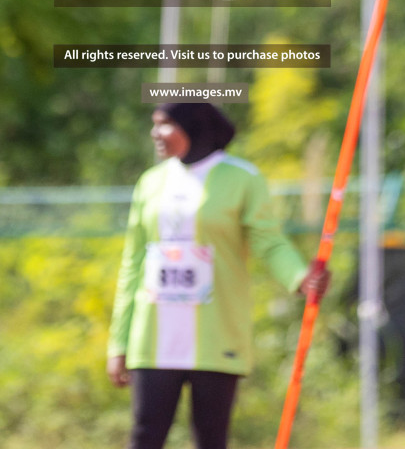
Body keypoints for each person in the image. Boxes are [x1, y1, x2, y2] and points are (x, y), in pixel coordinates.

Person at [107, 101, 330, 449]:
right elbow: (132, 265)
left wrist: (302, 277)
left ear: (191, 126)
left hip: (216, 333)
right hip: (152, 335)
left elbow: (269, 242)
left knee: (211, 438)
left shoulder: (242, 178)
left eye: (164, 124)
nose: (155, 133)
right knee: (145, 435)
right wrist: (119, 342)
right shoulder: (150, 183)